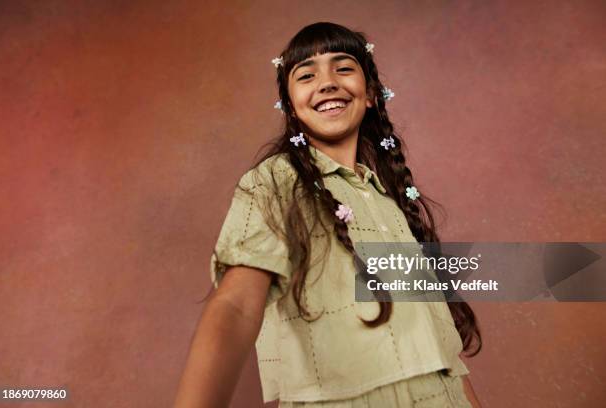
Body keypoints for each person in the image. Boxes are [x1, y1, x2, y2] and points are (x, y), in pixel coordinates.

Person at [174, 22, 483, 408]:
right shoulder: (276, 181)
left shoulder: (391, 201)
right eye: (306, 75)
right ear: (289, 104)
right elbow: (235, 306)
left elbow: (445, 359)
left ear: (370, 93)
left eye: (343, 67)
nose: (326, 82)